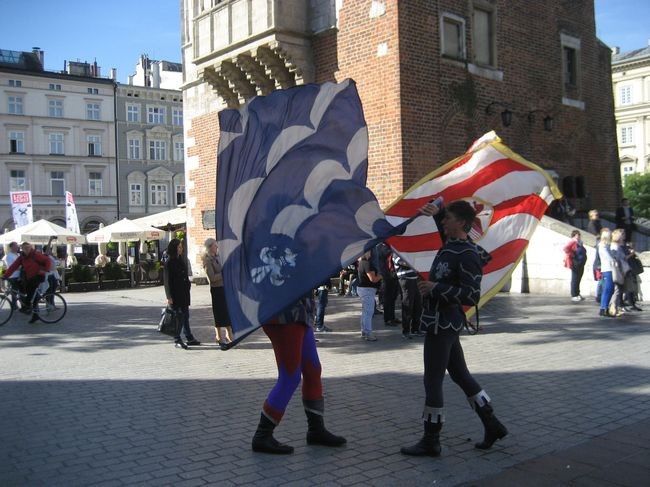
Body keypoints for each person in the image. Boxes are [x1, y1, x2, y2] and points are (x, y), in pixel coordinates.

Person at [401, 200, 507, 458]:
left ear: (460, 223)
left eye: (448, 218)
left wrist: (435, 288)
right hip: (440, 320)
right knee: (460, 375)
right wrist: (437, 209)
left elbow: (471, 296)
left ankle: (431, 439)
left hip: (444, 322)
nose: (444, 222)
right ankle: (492, 424)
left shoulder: (467, 254)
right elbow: (441, 218)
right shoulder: (451, 244)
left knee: (432, 380)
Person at [251, 296, 346, 454]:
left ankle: (316, 429)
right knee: (290, 377)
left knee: (312, 370)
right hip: (284, 314)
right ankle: (262, 435)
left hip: (301, 312)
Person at [1, 242, 52, 323]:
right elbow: (13, 266)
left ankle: (26, 308)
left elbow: (47, 260)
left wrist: (44, 270)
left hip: (38, 276)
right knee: (31, 296)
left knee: (30, 294)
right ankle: (35, 315)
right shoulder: (22, 257)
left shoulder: (36, 254)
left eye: (28, 248)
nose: (26, 250)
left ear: (31, 247)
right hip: (29, 278)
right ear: (22, 249)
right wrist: (5, 276)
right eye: (24, 248)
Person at [163, 238, 200, 349]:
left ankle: (189, 337)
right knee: (177, 317)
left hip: (184, 293)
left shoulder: (180, 259)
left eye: (181, 246)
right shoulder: (169, 262)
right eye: (179, 247)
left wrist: (188, 285)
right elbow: (166, 281)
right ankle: (177, 339)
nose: (181, 248)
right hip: (175, 294)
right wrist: (169, 296)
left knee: (185, 316)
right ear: (174, 248)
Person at [202, 238, 233, 346]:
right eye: (215, 245)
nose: (217, 247)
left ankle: (228, 334)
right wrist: (224, 274)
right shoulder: (207, 260)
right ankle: (220, 336)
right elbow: (212, 278)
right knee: (219, 313)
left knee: (226, 311)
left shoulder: (217, 257)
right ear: (210, 247)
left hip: (224, 287)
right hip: (216, 289)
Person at [394, 253, 422, 339]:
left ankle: (415, 329)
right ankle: (405, 331)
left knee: (418, 305)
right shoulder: (396, 253)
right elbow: (405, 263)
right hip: (405, 280)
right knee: (407, 306)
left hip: (415, 280)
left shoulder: (407, 252)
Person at [357, 251, 382, 341]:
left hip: (364, 289)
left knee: (365, 311)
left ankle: (364, 331)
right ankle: (368, 333)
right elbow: (373, 279)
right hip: (367, 290)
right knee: (369, 312)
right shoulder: (367, 263)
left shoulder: (361, 263)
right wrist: (380, 276)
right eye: (369, 251)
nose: (370, 253)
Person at [374, 242, 401, 327]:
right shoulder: (380, 247)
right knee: (387, 298)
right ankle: (388, 319)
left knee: (393, 297)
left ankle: (392, 317)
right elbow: (386, 253)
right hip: (386, 276)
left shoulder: (389, 247)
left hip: (393, 275)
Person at [609, 229, 629, 317]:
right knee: (617, 290)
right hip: (617, 270)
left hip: (620, 269)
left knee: (618, 290)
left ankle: (615, 307)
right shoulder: (614, 246)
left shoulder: (618, 246)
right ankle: (613, 308)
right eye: (620, 236)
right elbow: (615, 258)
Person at [597, 228, 616, 318]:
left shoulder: (607, 245)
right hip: (607, 269)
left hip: (610, 269)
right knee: (608, 289)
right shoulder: (602, 246)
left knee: (610, 289)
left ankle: (605, 307)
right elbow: (609, 257)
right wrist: (615, 261)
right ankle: (603, 308)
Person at [563, 230, 587, 302]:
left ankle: (577, 293)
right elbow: (566, 248)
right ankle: (574, 295)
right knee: (575, 279)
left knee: (578, 279)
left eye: (579, 235)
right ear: (574, 235)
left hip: (581, 263)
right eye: (577, 235)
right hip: (575, 263)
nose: (578, 236)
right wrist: (572, 255)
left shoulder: (580, 243)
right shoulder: (573, 242)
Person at [1, 242, 21, 310]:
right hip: (13, 276)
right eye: (15, 246)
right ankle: (14, 305)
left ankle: (18, 304)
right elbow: (11, 266)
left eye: (17, 246)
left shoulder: (18, 254)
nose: (17, 247)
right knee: (14, 291)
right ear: (11, 247)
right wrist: (21, 267)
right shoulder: (9, 256)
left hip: (19, 275)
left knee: (19, 291)